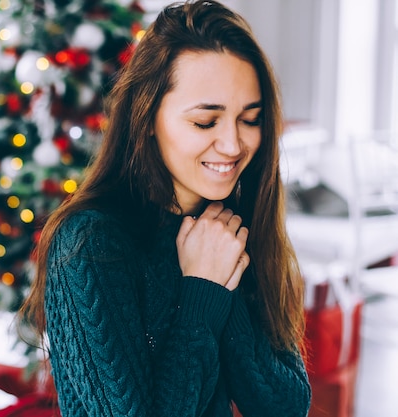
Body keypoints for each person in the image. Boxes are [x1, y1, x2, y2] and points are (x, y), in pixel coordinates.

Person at [18, 1, 311, 415]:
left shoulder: (226, 228)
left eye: (250, 119)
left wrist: (220, 277)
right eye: (205, 122)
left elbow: (284, 406)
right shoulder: (89, 244)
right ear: (148, 117)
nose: (233, 144)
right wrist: (202, 292)